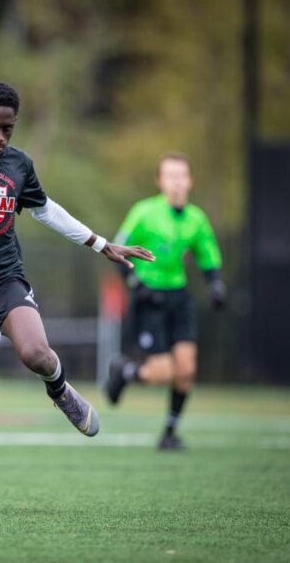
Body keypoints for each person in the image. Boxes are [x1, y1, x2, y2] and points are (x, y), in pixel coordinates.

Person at [0, 81, 155, 513]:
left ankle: (60, 390)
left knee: (38, 353)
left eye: (8, 129)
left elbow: (45, 210)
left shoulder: (18, 164)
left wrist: (101, 244)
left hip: (4, 276)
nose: (0, 137)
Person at [106, 152, 226, 451]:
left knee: (186, 370)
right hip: (150, 298)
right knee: (163, 373)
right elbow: (116, 250)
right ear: (160, 181)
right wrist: (135, 284)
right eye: (170, 176)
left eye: (181, 175)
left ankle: (169, 434)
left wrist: (215, 285)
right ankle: (125, 371)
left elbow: (206, 253)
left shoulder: (196, 218)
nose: (176, 182)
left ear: (190, 181)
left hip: (179, 298)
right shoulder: (144, 212)